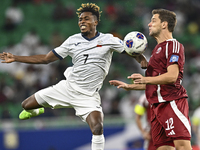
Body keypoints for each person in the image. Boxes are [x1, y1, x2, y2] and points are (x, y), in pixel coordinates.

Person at [0, 3, 147, 150]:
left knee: (97, 128)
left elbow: (130, 50)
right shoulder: (72, 40)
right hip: (67, 88)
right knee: (25, 105)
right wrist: (15, 57)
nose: (82, 21)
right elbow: (46, 59)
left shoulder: (109, 40)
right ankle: (39, 109)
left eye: (86, 18)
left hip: (88, 96)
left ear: (95, 22)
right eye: (80, 19)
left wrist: (142, 60)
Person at [109, 9, 192, 150]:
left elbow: (172, 77)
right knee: (163, 148)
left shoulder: (173, 46)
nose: (149, 24)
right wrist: (130, 87)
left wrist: (145, 79)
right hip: (157, 106)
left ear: (164, 24)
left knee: (182, 147)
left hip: (170, 102)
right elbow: (155, 84)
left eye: (153, 20)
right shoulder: (156, 51)